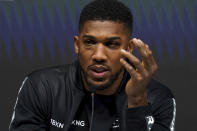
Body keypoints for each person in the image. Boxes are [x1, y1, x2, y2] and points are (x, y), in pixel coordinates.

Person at [9, 0, 176, 131]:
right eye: (89, 42)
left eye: (111, 44)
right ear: (77, 45)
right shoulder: (42, 87)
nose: (98, 56)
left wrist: (137, 101)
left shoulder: (158, 98)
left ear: (129, 48)